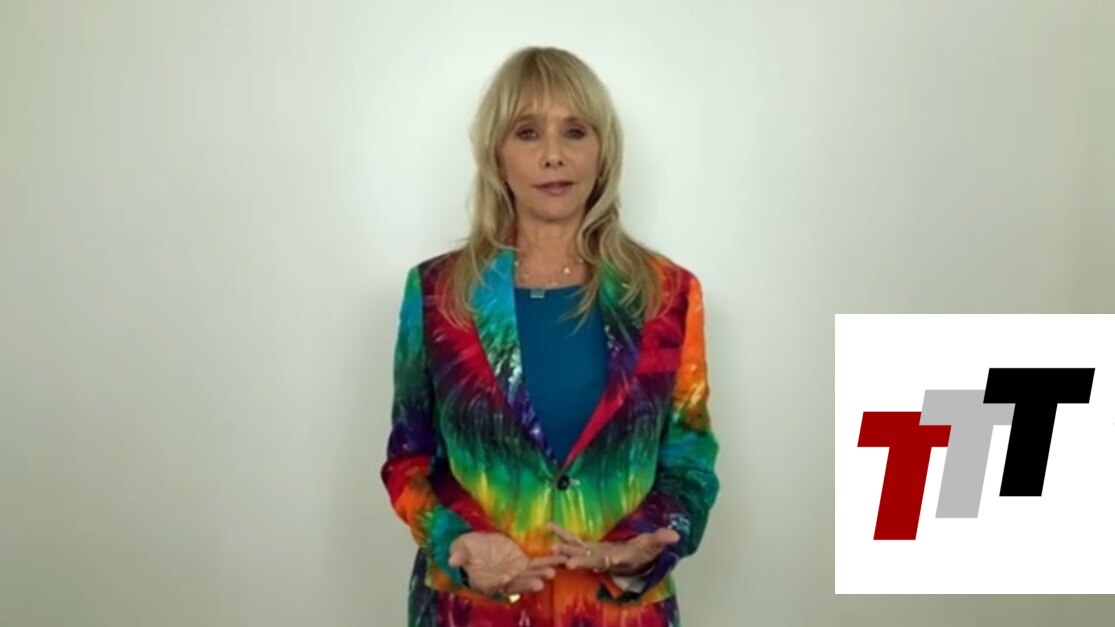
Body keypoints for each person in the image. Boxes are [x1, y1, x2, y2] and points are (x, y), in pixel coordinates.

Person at [381, 45, 720, 627]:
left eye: (575, 132)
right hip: (473, 613)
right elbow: (409, 460)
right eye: (528, 133)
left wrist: (649, 540)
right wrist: (455, 539)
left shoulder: (667, 294)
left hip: (617, 613)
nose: (554, 155)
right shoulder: (437, 293)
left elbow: (688, 459)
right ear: (497, 153)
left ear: (602, 150)